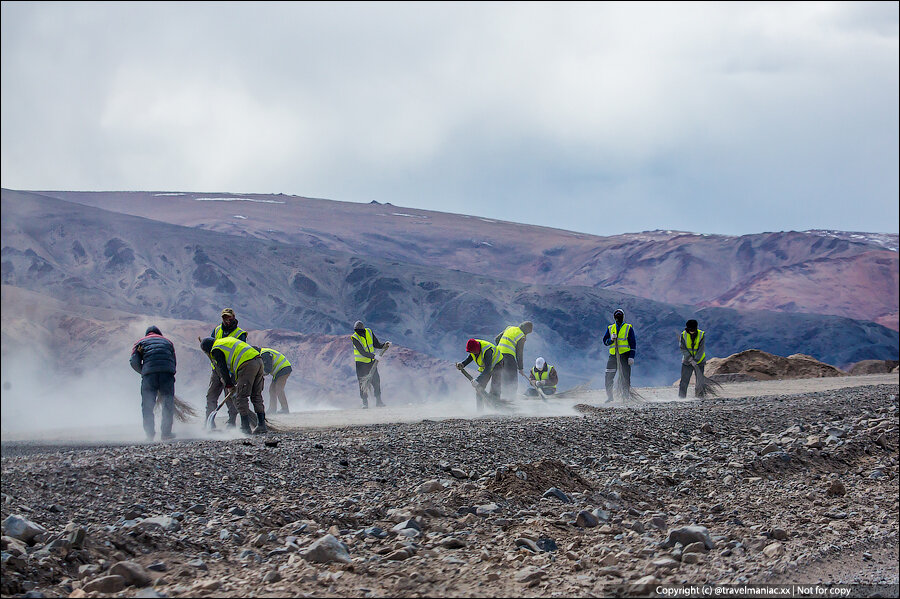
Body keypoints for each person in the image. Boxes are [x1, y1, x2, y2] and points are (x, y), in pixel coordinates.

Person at [200, 336, 267, 434]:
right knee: (256, 395)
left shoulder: (215, 349)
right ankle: (261, 425)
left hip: (246, 363)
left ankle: (245, 428)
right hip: (258, 360)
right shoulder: (226, 341)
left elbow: (223, 368)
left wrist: (229, 385)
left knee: (240, 397)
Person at [130, 325, 177, 441]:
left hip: (149, 376)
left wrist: (144, 371)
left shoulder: (140, 343)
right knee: (168, 403)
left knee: (147, 405)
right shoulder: (168, 342)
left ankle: (150, 434)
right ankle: (166, 434)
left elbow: (133, 361)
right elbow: (173, 361)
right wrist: (170, 373)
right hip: (167, 374)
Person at [205, 308, 247, 429]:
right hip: (217, 370)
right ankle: (209, 422)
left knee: (230, 396)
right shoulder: (217, 330)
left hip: (231, 371)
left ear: (233, 317)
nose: (226, 320)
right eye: (224, 318)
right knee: (211, 396)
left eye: (229, 318)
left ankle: (231, 421)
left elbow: (241, 352)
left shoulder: (240, 334)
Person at [351, 320, 390, 408]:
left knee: (376, 381)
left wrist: (384, 345)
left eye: (359, 331)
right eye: (356, 331)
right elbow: (362, 352)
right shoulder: (355, 337)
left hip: (371, 363)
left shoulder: (369, 331)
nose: (357, 332)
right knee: (362, 383)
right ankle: (365, 403)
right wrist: (374, 356)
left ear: (363, 329)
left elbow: (376, 344)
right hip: (361, 364)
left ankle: (379, 401)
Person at [456, 338, 503, 411]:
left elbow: (488, 368)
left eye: (474, 351)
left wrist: (478, 380)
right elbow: (471, 357)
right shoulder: (473, 347)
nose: (473, 353)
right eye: (472, 352)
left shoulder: (487, 350)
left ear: (477, 348)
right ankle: (480, 411)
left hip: (497, 364)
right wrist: (463, 364)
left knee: (495, 386)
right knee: (479, 388)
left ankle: (497, 409)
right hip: (488, 366)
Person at [603, 309, 636, 403]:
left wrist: (631, 356)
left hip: (625, 356)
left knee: (625, 377)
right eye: (617, 316)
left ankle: (625, 396)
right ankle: (610, 397)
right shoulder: (610, 328)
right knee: (608, 376)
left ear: (623, 317)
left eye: (619, 316)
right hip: (613, 356)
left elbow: (633, 343)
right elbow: (605, 341)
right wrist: (611, 340)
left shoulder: (628, 327)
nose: (618, 318)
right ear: (614, 317)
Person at [493, 321, 533, 399]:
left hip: (498, 356)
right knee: (512, 378)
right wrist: (521, 368)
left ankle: (497, 397)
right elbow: (519, 353)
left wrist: (501, 348)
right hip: (508, 357)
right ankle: (511, 398)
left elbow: (497, 339)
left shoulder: (509, 328)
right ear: (526, 331)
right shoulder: (521, 336)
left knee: (501, 376)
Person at [259, 347, 292, 413]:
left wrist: (260, 374)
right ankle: (272, 409)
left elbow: (268, 369)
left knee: (279, 389)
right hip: (279, 371)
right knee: (272, 390)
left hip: (283, 369)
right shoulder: (264, 352)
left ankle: (285, 409)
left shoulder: (264, 354)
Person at [678, 319, 706, 398]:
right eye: (690, 330)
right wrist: (689, 358)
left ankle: (700, 397)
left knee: (700, 381)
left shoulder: (701, 334)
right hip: (687, 362)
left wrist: (696, 360)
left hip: (699, 362)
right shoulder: (683, 335)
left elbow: (701, 349)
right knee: (684, 380)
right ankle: (682, 397)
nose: (692, 331)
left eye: (693, 330)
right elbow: (682, 348)